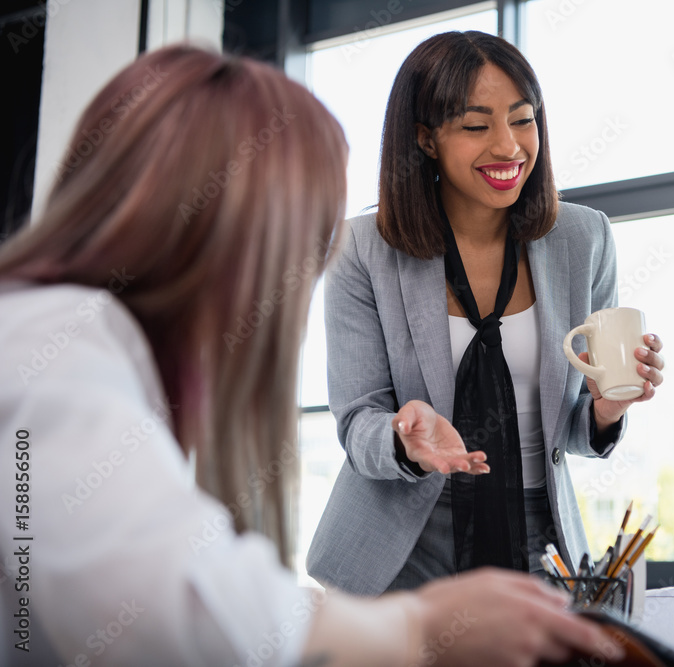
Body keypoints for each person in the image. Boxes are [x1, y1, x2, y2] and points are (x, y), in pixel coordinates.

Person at [0, 44, 626, 667]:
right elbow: (172, 607)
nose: (288, 288)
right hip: (403, 551)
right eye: (292, 241)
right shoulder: (50, 353)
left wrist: (606, 408)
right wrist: (415, 628)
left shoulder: (74, 342)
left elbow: (172, 566)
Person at [306, 30, 664, 595]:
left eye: (523, 120)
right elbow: (357, 423)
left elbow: (568, 431)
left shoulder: (583, 238)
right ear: (425, 139)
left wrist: (605, 412)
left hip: (538, 534)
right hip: (405, 540)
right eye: (477, 126)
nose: (509, 146)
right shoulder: (360, 250)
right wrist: (406, 440)